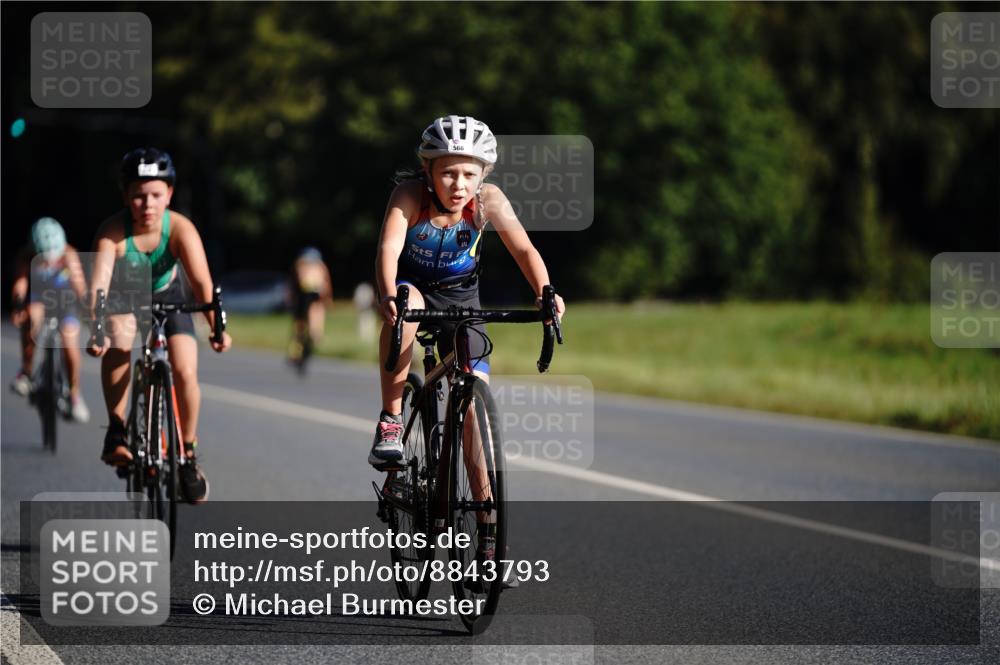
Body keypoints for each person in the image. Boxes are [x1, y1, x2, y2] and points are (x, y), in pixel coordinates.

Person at [371, 115, 566, 469]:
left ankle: (485, 504)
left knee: (475, 408)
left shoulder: (488, 200)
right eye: (448, 173)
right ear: (428, 170)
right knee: (406, 308)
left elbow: (524, 250)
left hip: (461, 296)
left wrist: (545, 293)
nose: (459, 185)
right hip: (412, 288)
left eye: (469, 174)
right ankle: (391, 419)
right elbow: (388, 248)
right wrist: (387, 294)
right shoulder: (410, 195)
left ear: (483, 174)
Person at [87, 148, 232, 504]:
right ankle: (117, 432)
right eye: (138, 196)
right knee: (120, 336)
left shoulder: (180, 228)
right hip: (125, 297)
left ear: (169, 194)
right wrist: (96, 328)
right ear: (125, 196)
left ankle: (188, 456)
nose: (147, 204)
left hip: (171, 296)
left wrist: (217, 328)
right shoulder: (112, 233)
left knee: (184, 370)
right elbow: (99, 287)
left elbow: (202, 284)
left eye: (155, 195)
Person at [9, 217, 90, 422]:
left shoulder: (69, 255)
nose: (48, 262)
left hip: (65, 302)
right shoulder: (26, 256)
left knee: (70, 345)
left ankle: (74, 394)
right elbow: (20, 284)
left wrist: (88, 307)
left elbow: (80, 286)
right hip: (39, 299)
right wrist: (18, 305)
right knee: (30, 318)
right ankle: (27, 372)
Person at [288, 246, 333, 365]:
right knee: (314, 314)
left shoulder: (300, 264)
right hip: (313, 293)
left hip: (304, 294)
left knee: (300, 323)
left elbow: (293, 284)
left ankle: (299, 348)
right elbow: (326, 282)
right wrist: (328, 297)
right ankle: (314, 335)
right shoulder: (319, 265)